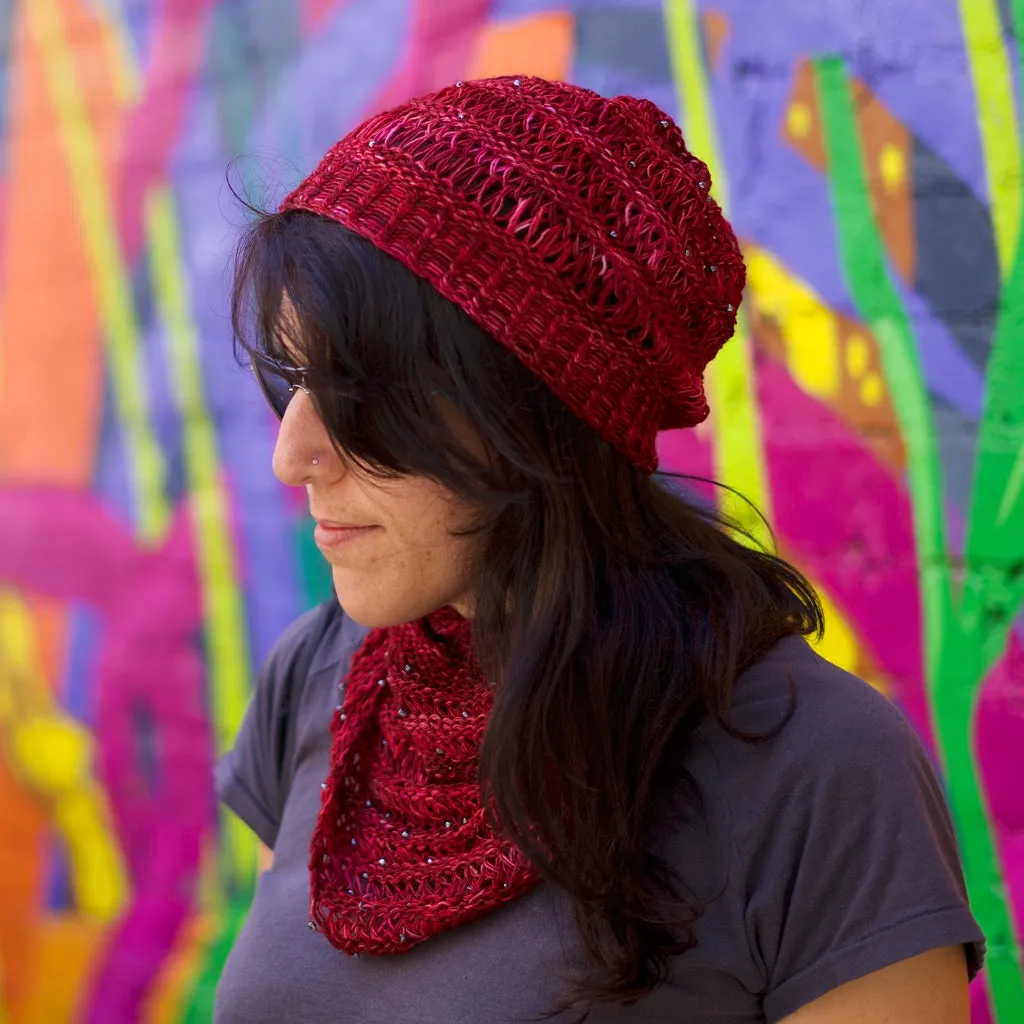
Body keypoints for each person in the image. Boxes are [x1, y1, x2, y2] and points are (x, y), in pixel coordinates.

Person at [213, 76, 984, 1023]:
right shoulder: (321, 676)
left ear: (533, 410)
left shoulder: (814, 766)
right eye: (293, 375)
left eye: (363, 388)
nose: (295, 452)